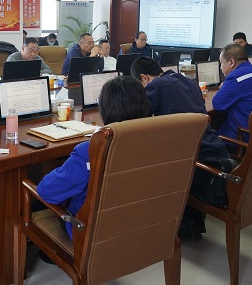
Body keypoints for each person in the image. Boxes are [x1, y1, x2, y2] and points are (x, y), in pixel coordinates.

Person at [37, 75, 150, 239]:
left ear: (104, 109)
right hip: (138, 225)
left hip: (90, 233)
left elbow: (46, 191)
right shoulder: (154, 143)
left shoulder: (89, 151)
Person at [130, 56, 230, 241]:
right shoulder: (188, 81)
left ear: (144, 78)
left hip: (196, 163)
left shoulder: (155, 86)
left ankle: (181, 226)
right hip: (215, 152)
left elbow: (137, 118)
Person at [213, 43, 252, 145]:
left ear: (231, 62)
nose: (221, 67)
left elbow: (217, 105)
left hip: (243, 138)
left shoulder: (236, 77)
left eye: (221, 63)